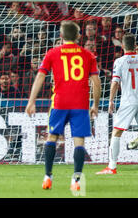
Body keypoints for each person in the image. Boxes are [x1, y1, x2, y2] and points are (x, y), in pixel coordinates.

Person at [25, 20, 101, 192]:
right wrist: (95, 104)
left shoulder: (53, 53)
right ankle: (76, 180)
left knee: (51, 137)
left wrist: (32, 101)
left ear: (60, 36)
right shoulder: (88, 55)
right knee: (79, 142)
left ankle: (48, 177)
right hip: (80, 104)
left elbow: (40, 77)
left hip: (59, 102)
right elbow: (96, 82)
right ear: (79, 36)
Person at [97, 33, 138, 175]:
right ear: (135, 45)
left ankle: (112, 166)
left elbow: (115, 83)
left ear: (122, 46)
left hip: (128, 102)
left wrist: (110, 100)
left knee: (116, 132)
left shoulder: (120, 61)